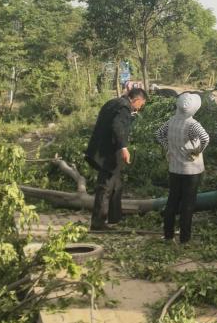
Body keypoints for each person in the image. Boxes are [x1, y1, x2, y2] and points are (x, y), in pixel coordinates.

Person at [86, 86, 147, 231]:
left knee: (116, 184)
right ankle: (98, 222)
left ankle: (115, 216)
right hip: (110, 153)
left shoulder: (113, 102)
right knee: (105, 186)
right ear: (137, 100)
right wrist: (123, 147)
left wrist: (131, 118)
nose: (139, 108)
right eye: (141, 105)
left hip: (100, 150)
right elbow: (117, 126)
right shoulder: (124, 108)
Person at [155, 92, 210, 244]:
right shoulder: (192, 124)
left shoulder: (171, 121)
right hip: (191, 170)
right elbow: (205, 138)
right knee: (187, 204)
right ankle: (185, 239)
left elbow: (159, 134)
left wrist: (168, 148)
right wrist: (197, 151)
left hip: (174, 168)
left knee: (172, 201)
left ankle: (168, 235)